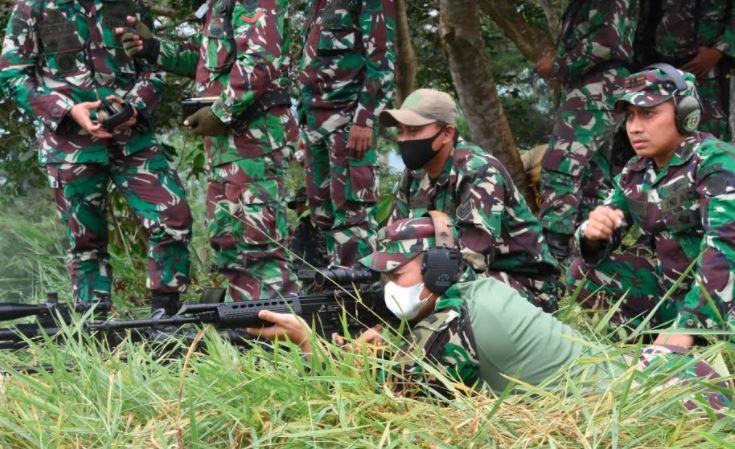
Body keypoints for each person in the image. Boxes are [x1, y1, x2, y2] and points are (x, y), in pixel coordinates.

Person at [247, 214, 732, 411]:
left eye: (398, 275)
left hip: (669, 395)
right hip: (644, 370)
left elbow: (380, 406)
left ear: (438, 268)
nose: (387, 287)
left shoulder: (461, 326)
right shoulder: (470, 292)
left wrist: (308, 343)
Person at [0, 0, 192, 316]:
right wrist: (67, 111)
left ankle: (165, 316)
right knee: (85, 243)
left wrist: (134, 107)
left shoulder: (129, 6)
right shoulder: (32, 9)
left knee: (173, 217)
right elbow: (13, 76)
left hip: (133, 142)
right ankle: (94, 326)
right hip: (70, 147)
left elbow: (152, 64)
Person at [118, 0, 299, 300]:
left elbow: (260, 60)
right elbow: (206, 63)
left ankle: (282, 330)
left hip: (254, 142)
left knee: (259, 244)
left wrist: (221, 112)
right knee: (228, 242)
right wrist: (151, 48)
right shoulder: (220, 5)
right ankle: (246, 326)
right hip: (225, 148)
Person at [567, 64, 735, 343]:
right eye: (630, 116)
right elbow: (598, 236)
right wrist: (592, 233)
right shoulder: (635, 173)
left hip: (725, 299)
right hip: (674, 294)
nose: (634, 128)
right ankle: (650, 350)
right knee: (584, 272)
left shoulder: (715, 162)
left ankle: (687, 345)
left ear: (686, 115)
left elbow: (726, 251)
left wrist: (688, 327)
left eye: (648, 114)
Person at [383, 89, 560, 312]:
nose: (404, 139)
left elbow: (469, 262)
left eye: (414, 130)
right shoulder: (414, 175)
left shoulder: (479, 171)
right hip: (447, 276)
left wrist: (409, 287)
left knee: (449, 290)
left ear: (447, 133)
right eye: (401, 131)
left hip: (524, 286)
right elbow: (392, 243)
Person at [536, 0, 640, 263]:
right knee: (594, 172)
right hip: (601, 85)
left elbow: (606, 42)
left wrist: (557, 65)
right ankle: (588, 252)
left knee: (561, 163)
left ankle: (554, 257)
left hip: (597, 84)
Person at [298, 0, 396, 268]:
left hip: (348, 122)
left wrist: (364, 119)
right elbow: (309, 63)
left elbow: (381, 61)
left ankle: (359, 293)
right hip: (314, 124)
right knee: (321, 213)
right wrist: (302, 123)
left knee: (353, 215)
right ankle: (334, 287)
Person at [646, 0, 735, 140]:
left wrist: (718, 51)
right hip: (664, 68)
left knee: (709, 133)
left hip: (708, 71)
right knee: (665, 131)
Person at [287, 187, 328, 274]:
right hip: (307, 277)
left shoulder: (327, 227)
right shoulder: (300, 231)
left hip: (330, 277)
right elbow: (295, 260)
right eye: (297, 207)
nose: (298, 210)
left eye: (302, 205)